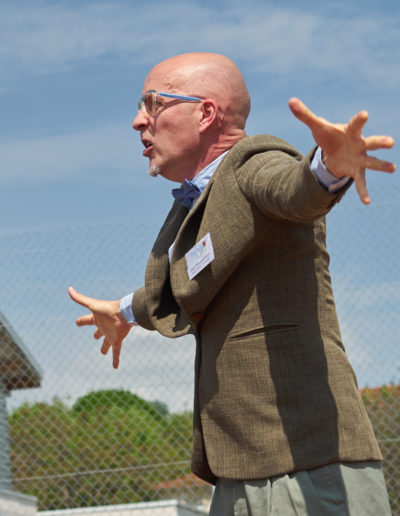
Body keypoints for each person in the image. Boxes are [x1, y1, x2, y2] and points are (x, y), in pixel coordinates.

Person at [68, 53, 396, 515]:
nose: (138, 120)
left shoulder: (251, 162)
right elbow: (184, 281)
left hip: (303, 463)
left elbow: (291, 188)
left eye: (153, 103)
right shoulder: (203, 203)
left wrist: (328, 168)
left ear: (206, 113)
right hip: (241, 471)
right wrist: (123, 312)